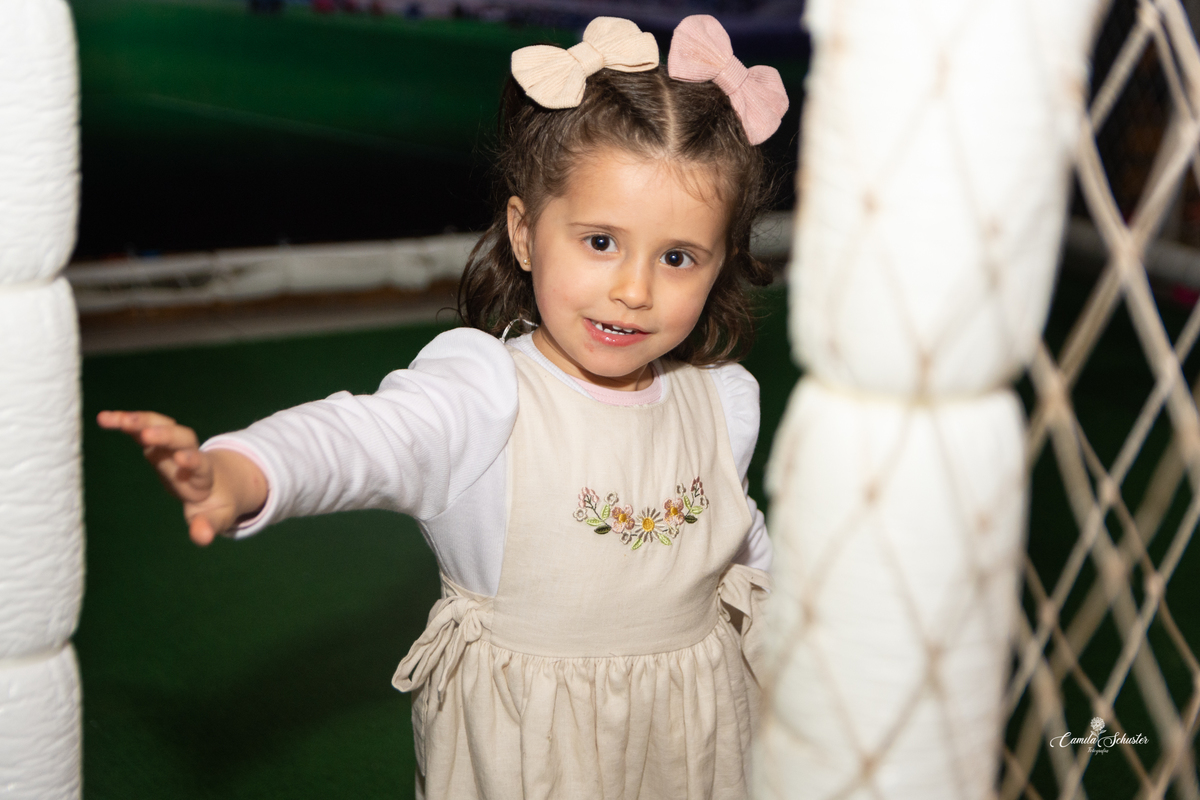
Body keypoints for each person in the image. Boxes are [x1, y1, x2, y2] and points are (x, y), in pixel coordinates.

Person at [99, 15, 788, 799]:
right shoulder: (484, 396)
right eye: (600, 242)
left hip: (693, 740)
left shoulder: (719, 401)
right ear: (525, 233)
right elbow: (362, 439)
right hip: (531, 755)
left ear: (721, 264)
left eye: (677, 257)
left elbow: (741, 550)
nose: (634, 289)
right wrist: (243, 470)